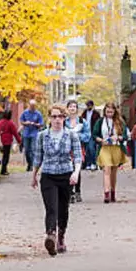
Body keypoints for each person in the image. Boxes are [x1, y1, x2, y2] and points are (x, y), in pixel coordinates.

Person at [31, 103, 82, 256]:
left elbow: (78, 157)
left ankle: (61, 237)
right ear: (49, 118)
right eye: (54, 116)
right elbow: (38, 157)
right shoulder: (42, 135)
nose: (57, 119)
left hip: (66, 175)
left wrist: (76, 173)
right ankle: (50, 235)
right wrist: (34, 176)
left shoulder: (71, 135)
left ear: (64, 118)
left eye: (60, 116)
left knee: (63, 209)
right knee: (51, 207)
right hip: (48, 175)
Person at [92, 102, 129, 203]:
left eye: (111, 112)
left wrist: (118, 137)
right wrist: (101, 140)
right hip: (105, 148)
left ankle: (113, 192)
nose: (109, 114)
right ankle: (106, 194)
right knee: (106, 169)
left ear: (114, 112)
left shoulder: (119, 121)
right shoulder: (100, 121)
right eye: (107, 112)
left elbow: (125, 136)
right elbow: (94, 135)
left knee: (113, 172)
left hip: (116, 147)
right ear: (104, 111)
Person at [65, 100, 90, 203]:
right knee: (68, 170)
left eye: (74, 107)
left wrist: (76, 136)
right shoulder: (64, 121)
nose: (72, 108)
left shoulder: (82, 121)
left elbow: (87, 136)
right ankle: (70, 193)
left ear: (77, 109)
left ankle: (77, 192)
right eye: (70, 106)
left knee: (77, 169)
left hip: (79, 147)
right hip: (67, 148)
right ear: (67, 108)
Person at [20, 100, 44, 172]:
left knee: (33, 149)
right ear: (29, 105)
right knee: (27, 150)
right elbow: (21, 121)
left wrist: (36, 124)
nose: (32, 107)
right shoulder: (25, 112)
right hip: (26, 133)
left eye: (34, 106)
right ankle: (29, 164)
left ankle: (33, 166)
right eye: (31, 106)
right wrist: (25, 123)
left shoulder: (38, 113)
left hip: (34, 133)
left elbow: (41, 124)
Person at [0, 110, 22, 176]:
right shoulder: (10, 123)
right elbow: (15, 133)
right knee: (6, 156)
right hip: (7, 142)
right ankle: (3, 170)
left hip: (0, 141)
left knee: (3, 155)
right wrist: (19, 140)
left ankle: (4, 169)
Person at [83, 100, 101, 170]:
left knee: (91, 148)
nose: (88, 107)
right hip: (86, 133)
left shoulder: (96, 114)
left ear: (92, 105)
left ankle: (93, 163)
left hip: (93, 133)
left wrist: (97, 133)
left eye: (89, 105)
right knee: (87, 150)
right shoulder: (84, 113)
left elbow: (98, 123)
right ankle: (88, 163)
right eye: (87, 105)